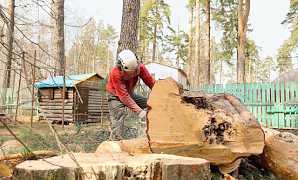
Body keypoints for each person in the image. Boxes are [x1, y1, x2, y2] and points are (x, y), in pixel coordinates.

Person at [106, 49, 155, 140]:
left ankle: (152, 131)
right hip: (115, 96)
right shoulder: (115, 73)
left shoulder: (140, 68)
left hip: (129, 93)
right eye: (129, 74)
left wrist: (161, 92)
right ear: (121, 68)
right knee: (118, 118)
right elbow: (123, 96)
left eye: (135, 72)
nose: (132, 75)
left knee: (150, 104)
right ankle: (114, 142)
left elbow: (151, 82)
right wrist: (140, 112)